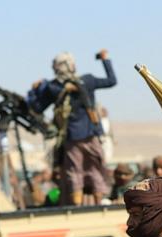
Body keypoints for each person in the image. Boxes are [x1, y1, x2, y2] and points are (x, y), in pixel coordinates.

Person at [28, 49, 116, 206]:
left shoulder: (53, 87)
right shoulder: (87, 81)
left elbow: (35, 107)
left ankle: (77, 207)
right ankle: (98, 205)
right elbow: (111, 81)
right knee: (96, 170)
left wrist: (36, 89)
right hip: (92, 135)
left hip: (72, 138)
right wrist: (105, 59)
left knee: (75, 172)